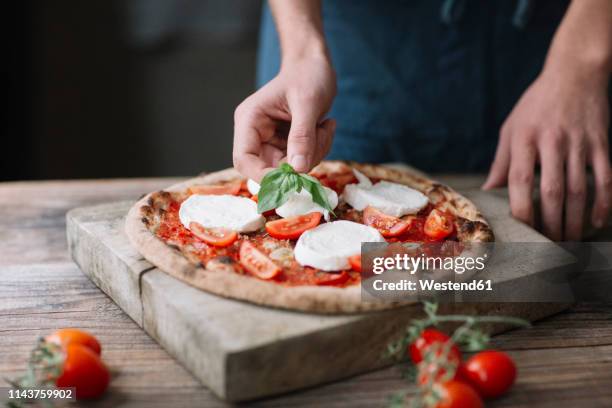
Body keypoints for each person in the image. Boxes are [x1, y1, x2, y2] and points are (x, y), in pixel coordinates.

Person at [232, 0, 612, 241]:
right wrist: (302, 51)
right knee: (326, 214)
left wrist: (580, 62)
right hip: (357, 37)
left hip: (559, 33)